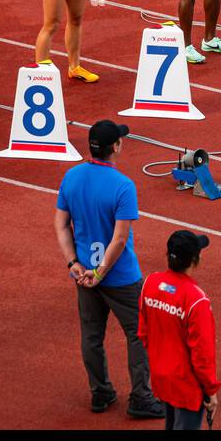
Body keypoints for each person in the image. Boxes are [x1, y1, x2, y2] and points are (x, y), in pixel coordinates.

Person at [54, 120, 165, 419]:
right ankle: (141, 397)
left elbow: (61, 224)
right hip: (120, 277)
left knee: (92, 335)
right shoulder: (123, 186)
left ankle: (100, 392)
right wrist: (101, 271)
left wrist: (73, 263)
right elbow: (119, 239)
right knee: (139, 334)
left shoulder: (72, 176)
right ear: (115, 147)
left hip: (83, 275)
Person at [138, 230, 221, 431]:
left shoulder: (151, 283)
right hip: (187, 385)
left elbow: (143, 332)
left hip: (162, 377)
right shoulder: (197, 300)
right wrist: (210, 390)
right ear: (195, 260)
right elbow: (202, 353)